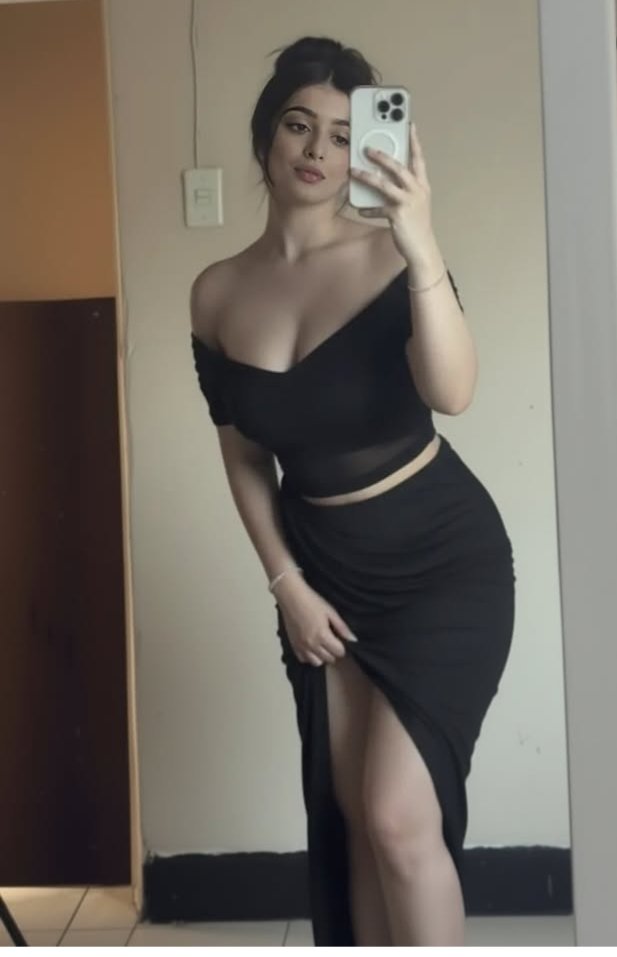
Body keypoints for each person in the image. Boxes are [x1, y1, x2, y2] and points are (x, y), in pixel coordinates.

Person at [190, 35, 515, 948]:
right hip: (322, 573)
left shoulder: (389, 258)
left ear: (363, 149)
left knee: (398, 819)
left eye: (342, 134)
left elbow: (452, 392)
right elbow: (242, 453)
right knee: (355, 825)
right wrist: (285, 583)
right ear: (265, 135)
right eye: (299, 125)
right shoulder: (215, 293)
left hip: (442, 561)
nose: (318, 150)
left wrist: (420, 240)